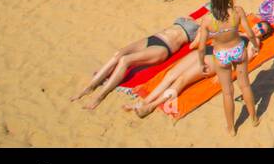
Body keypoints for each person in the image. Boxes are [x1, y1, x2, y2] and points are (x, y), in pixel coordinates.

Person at [71, 16, 201, 109]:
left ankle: (100, 96)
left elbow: (196, 43)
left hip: (163, 48)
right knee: (118, 54)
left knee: (125, 60)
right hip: (154, 38)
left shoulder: (201, 28)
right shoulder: (193, 16)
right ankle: (91, 86)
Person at [197, 0, 261, 136]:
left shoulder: (208, 20)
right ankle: (253, 118)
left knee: (227, 93)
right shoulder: (237, 12)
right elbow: (249, 32)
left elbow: (200, 47)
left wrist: (201, 63)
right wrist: (254, 44)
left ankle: (231, 128)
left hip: (221, 54)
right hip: (238, 50)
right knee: (245, 85)